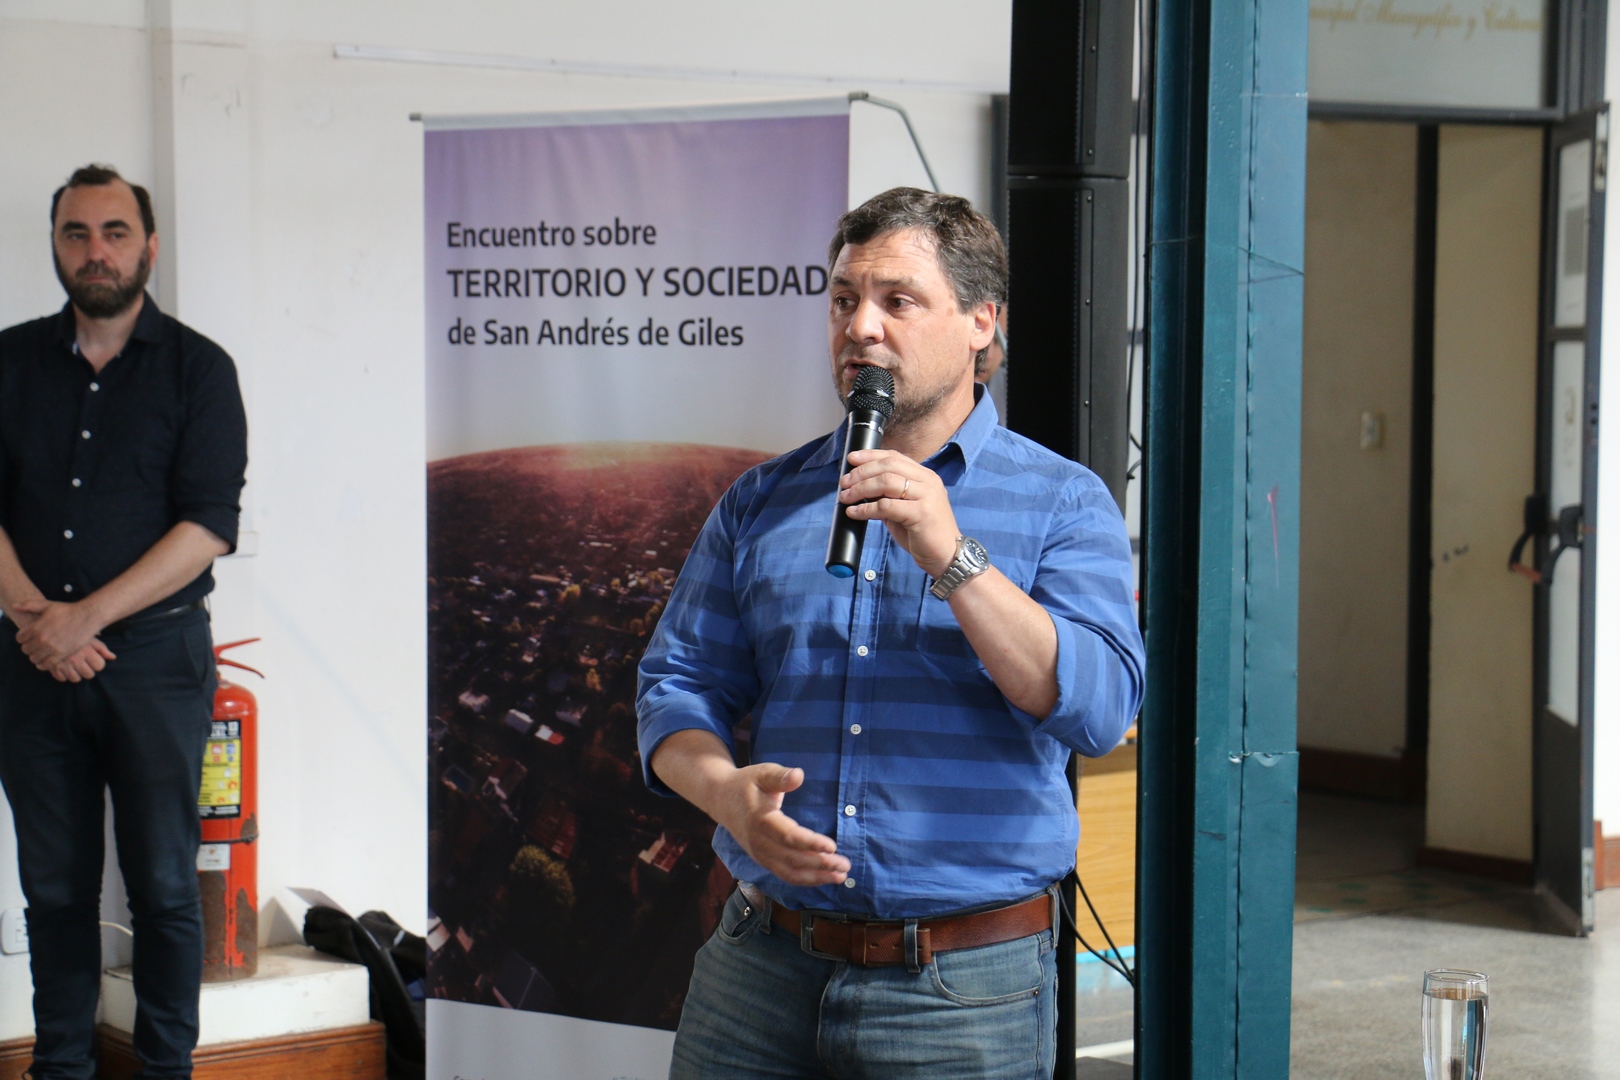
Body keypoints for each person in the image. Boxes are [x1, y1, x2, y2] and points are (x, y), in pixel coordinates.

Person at [636, 187, 1144, 1079]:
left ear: (982, 321)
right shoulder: (762, 500)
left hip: (959, 989)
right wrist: (726, 797)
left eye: (896, 300)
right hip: (759, 966)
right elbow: (675, 687)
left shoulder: (1064, 501)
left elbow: (1099, 711)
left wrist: (952, 554)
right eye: (844, 300)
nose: (860, 327)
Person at [0, 164, 247, 1080]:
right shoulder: (7, 362)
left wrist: (84, 620)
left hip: (157, 663)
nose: (94, 251)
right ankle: (60, 1066)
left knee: (166, 889)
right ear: (55, 245)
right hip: (29, 661)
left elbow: (207, 526)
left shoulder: (200, 370)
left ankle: (165, 1069)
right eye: (76, 233)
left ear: (149, 246)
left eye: (114, 232)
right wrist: (38, 621)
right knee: (54, 890)